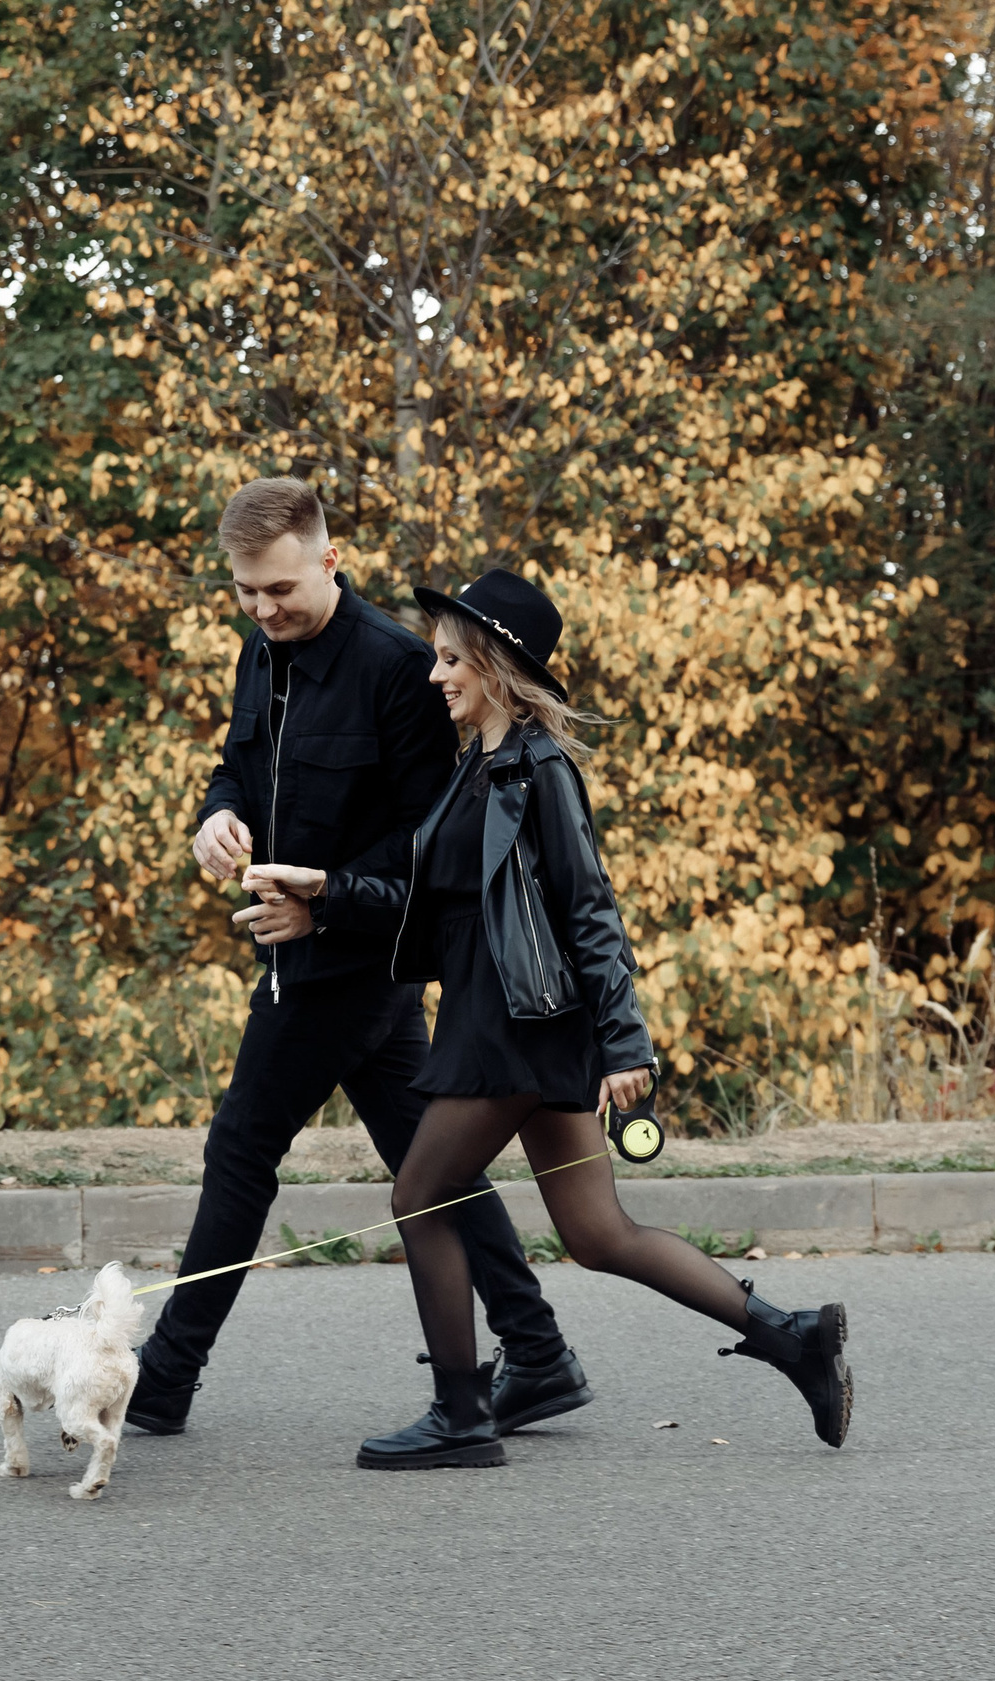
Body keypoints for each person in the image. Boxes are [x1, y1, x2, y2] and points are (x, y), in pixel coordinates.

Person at [307, 567, 852, 1468]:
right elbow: (435, 901)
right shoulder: (473, 766)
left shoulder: (537, 767)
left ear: (493, 664)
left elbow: (589, 907)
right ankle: (795, 1335)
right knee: (599, 1234)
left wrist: (625, 1041)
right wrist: (325, 892)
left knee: (418, 1197)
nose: (434, 674)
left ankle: (459, 1414)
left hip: (514, 1032)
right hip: (516, 1022)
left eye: (450, 659)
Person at [123, 479, 593, 1440]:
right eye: (247, 593)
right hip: (307, 954)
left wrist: (323, 908)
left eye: (281, 589)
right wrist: (217, 814)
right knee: (434, 1163)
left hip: (351, 960)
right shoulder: (261, 655)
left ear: (329, 561)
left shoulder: (393, 667)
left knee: (242, 1147)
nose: (262, 610)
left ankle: (163, 1380)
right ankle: (537, 1350)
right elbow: (234, 763)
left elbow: (434, 842)